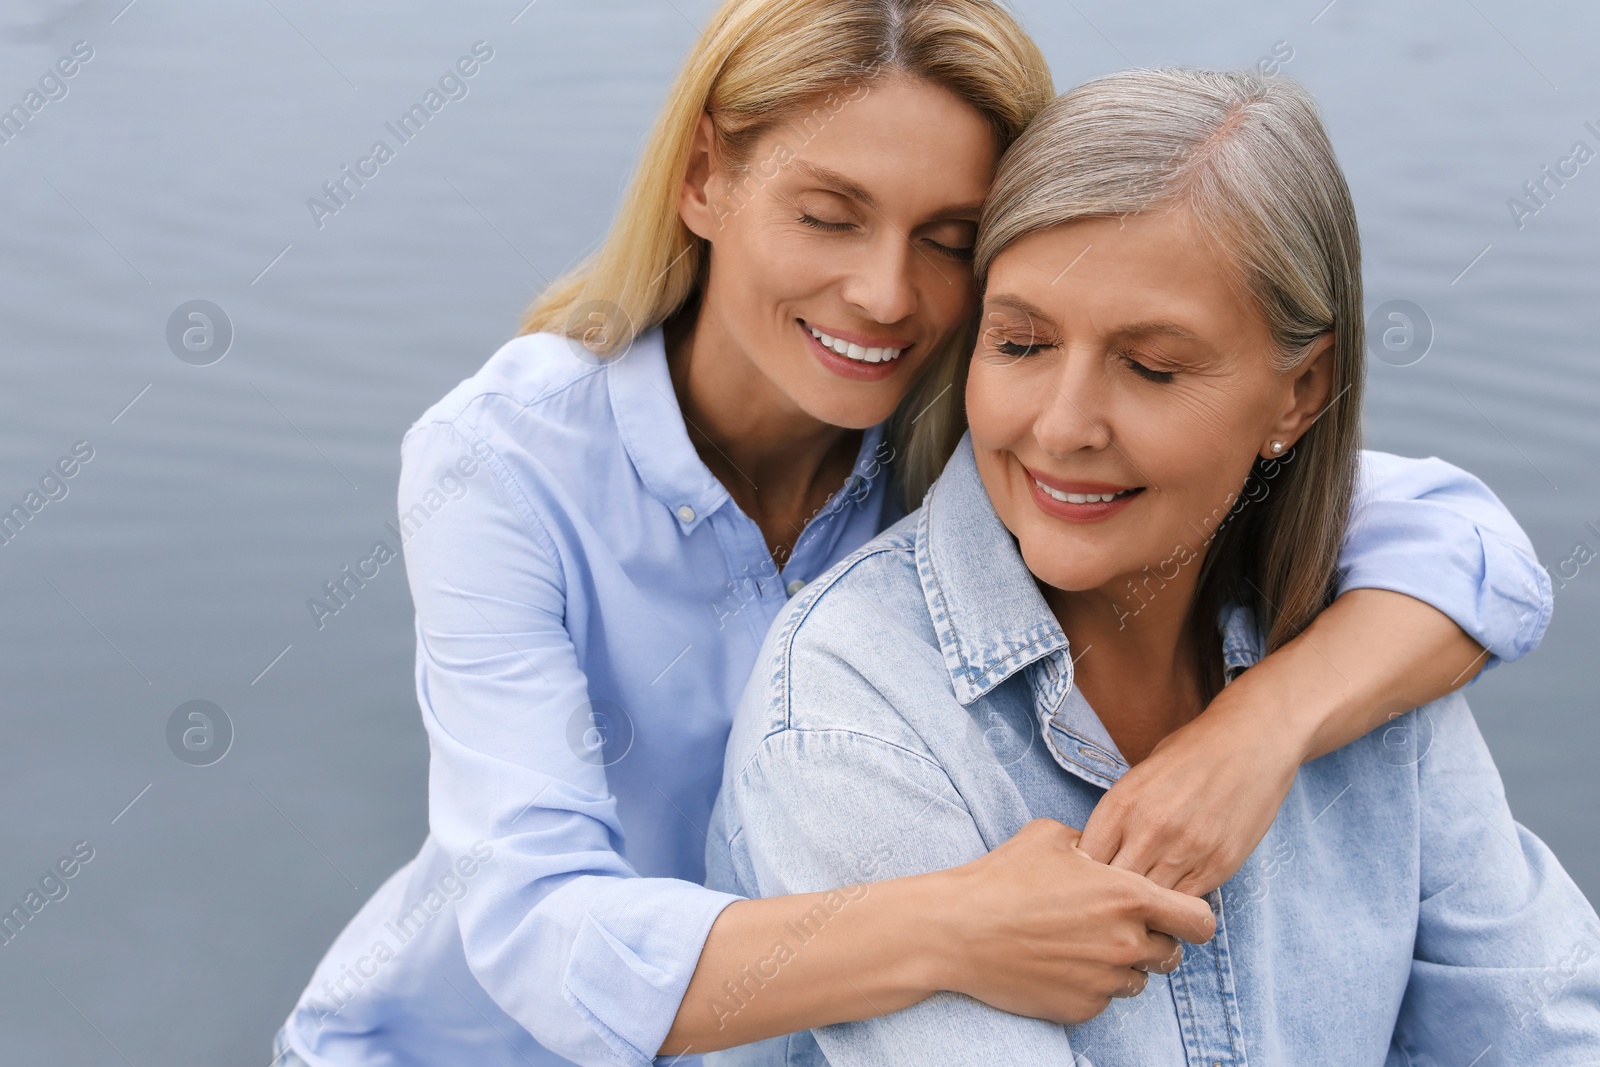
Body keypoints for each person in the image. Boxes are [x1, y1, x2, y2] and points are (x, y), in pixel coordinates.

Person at [276, 4, 1555, 1066]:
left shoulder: (978, 422)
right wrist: (951, 923)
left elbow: (1449, 535)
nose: (886, 296)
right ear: (705, 176)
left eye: (948, 243)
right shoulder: (502, 461)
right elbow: (537, 927)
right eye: (828, 216)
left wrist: (1256, 730)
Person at [705, 67, 1600, 1066]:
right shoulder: (851, 706)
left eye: (1151, 367)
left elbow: (1542, 1028)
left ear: (1297, 392)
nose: (1063, 425)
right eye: (1021, 343)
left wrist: (1263, 727)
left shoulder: (1369, 641)